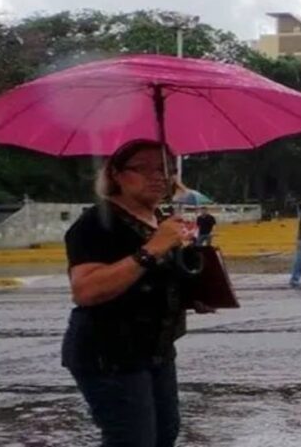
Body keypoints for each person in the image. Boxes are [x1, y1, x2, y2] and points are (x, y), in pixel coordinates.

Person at [62, 139, 213, 447]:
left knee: (164, 435)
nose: (158, 176)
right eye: (143, 169)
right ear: (115, 174)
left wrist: (194, 293)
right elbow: (86, 290)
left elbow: (153, 282)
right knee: (133, 441)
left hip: (156, 351)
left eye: (166, 169)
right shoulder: (97, 222)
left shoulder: (160, 220)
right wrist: (152, 249)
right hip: (109, 352)